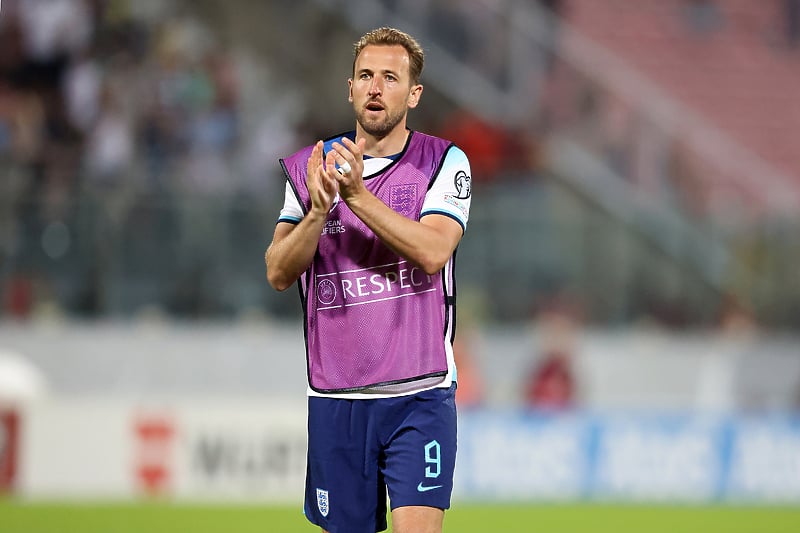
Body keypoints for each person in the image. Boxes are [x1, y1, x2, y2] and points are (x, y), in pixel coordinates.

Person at [265, 27, 472, 533]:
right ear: (349, 88)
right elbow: (277, 270)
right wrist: (317, 211)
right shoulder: (310, 168)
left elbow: (433, 250)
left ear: (414, 93)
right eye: (365, 76)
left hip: (419, 393)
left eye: (390, 77)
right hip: (339, 397)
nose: (375, 87)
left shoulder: (443, 163)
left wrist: (356, 196)